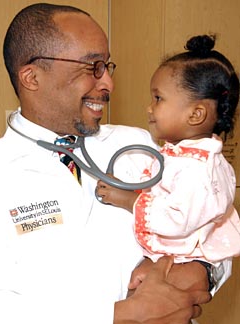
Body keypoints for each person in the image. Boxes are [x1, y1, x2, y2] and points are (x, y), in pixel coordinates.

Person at [0, 4, 220, 324]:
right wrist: (114, 320)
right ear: (31, 76)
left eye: (107, 66)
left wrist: (200, 269)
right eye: (92, 66)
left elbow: (214, 220)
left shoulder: (140, 145)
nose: (109, 83)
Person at [96, 34, 240, 295]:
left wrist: (128, 199)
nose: (149, 108)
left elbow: (179, 218)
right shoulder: (182, 155)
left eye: (158, 99)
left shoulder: (198, 168)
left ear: (196, 114)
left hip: (181, 260)